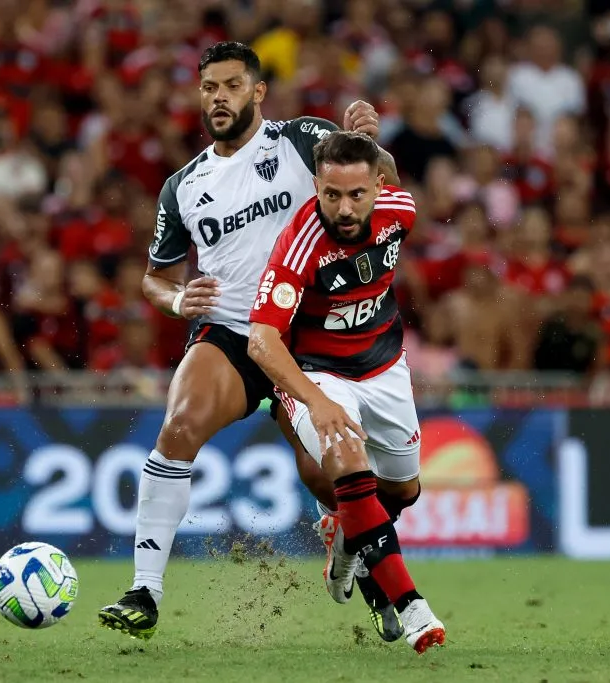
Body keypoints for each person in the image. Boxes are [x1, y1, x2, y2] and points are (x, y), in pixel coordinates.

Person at [97, 41, 402, 641]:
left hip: (308, 338)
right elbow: (154, 279)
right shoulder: (183, 185)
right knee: (178, 428)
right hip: (234, 332)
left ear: (258, 91)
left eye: (232, 86)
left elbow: (377, 181)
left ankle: (363, 562)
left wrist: (371, 137)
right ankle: (144, 591)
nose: (219, 97)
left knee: (329, 477)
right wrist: (179, 299)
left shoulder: (300, 139)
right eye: (210, 87)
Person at [246, 131, 446, 654]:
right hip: (317, 372)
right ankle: (411, 607)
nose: (344, 207)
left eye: (357, 194)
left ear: (377, 188)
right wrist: (316, 400)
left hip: (383, 366)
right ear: (317, 185)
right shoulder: (299, 243)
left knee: (403, 492)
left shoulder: (399, 208)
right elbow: (262, 341)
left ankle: (344, 537)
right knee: (352, 468)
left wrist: (372, 135)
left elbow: (398, 177)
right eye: (331, 194)